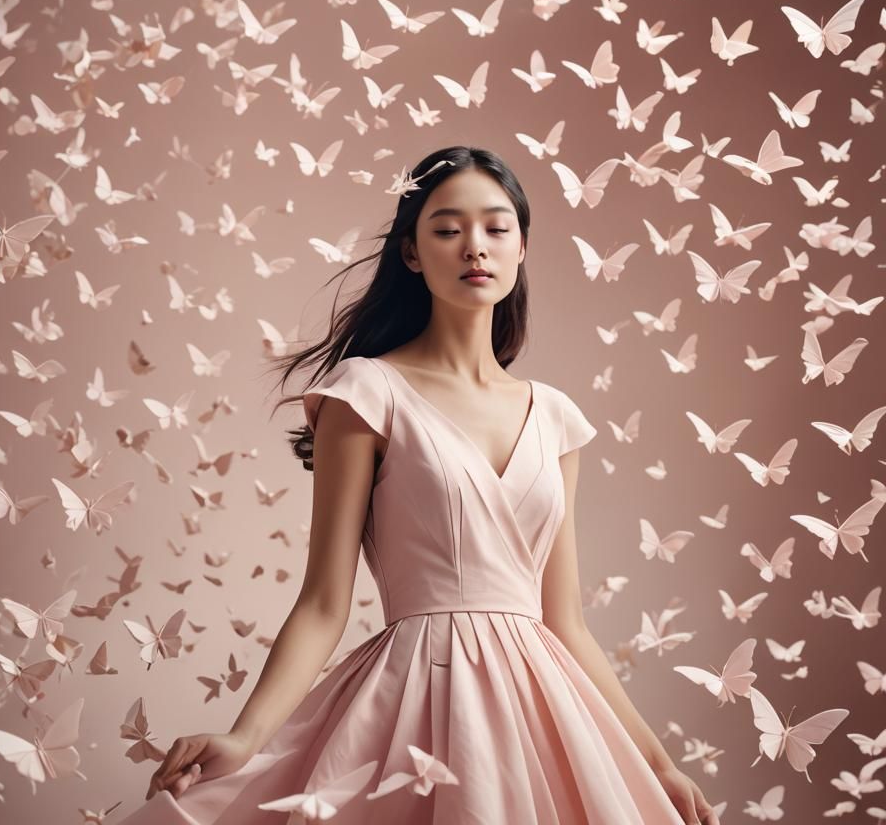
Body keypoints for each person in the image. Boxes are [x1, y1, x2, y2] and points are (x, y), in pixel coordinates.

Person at [115, 147, 721, 824]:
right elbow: (323, 602)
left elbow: (565, 621)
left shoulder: (554, 416)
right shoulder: (365, 392)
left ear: (521, 247)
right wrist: (245, 734)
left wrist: (656, 763)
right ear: (411, 252)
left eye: (496, 228)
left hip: (544, 709)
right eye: (446, 228)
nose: (474, 247)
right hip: (418, 701)